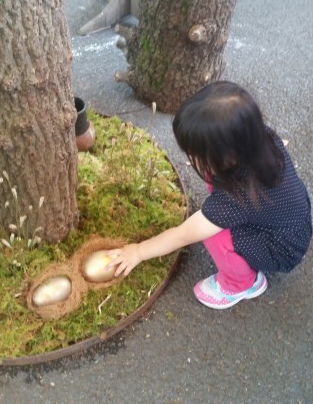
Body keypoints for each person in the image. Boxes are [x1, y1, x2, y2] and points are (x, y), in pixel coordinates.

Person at [108, 81, 312, 309]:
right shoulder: (262, 139)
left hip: (281, 248)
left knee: (215, 236)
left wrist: (138, 251)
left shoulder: (237, 199)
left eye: (197, 153)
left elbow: (183, 235)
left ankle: (242, 284)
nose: (192, 157)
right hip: (292, 222)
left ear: (226, 155)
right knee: (213, 193)